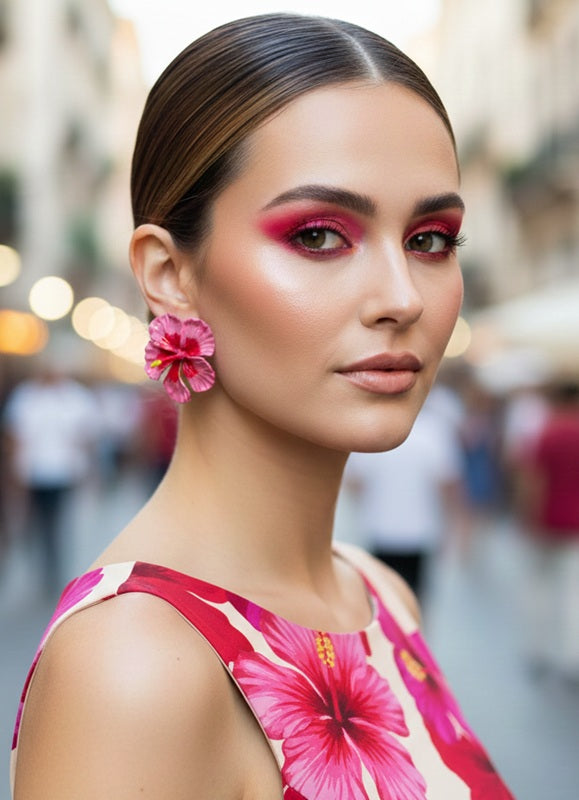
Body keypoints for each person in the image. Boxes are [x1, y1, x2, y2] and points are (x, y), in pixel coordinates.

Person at [10, 14, 514, 799]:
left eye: (429, 239)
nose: (399, 297)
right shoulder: (134, 666)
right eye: (318, 235)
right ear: (170, 273)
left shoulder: (379, 594)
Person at [344, 391, 469, 602]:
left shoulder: (371, 429)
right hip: (419, 531)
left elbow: (355, 483)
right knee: (414, 600)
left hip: (381, 528)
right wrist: (452, 527)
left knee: (383, 602)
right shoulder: (434, 431)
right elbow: (448, 485)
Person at [518, 380, 579, 681]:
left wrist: (530, 516)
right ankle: (571, 656)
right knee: (573, 591)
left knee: (540, 587)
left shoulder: (548, 432)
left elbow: (534, 479)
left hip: (547, 520)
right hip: (575, 525)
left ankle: (539, 649)